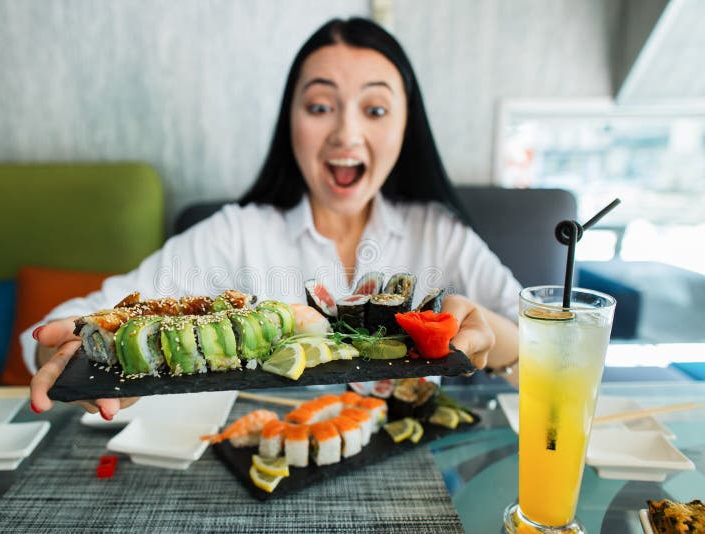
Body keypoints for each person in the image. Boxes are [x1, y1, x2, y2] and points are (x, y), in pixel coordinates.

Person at [26, 17, 520, 420]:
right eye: (321, 106)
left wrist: (482, 326)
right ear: (291, 121)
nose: (346, 133)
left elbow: (549, 346)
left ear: (406, 126)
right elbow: (78, 319)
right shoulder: (236, 233)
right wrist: (62, 353)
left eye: (375, 109)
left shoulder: (437, 231)